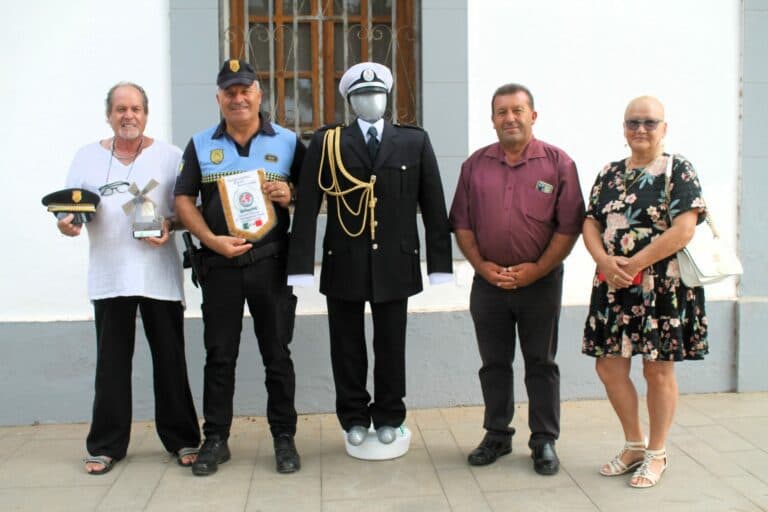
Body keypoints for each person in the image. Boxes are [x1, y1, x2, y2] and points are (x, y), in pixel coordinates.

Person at [287, 62, 453, 449]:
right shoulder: (328, 143)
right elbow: (308, 205)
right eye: (362, 95)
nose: (371, 101)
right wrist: (300, 268)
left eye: (377, 94)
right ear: (350, 101)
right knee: (346, 346)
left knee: (391, 344)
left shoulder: (414, 141)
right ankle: (354, 417)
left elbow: (433, 204)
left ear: (388, 97)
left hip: (396, 259)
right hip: (344, 257)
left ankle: (390, 415)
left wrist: (440, 266)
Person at [56, 82, 201, 475]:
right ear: (108, 114)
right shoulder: (86, 157)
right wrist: (66, 224)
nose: (128, 116)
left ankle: (184, 439)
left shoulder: (169, 156)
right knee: (112, 364)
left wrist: (169, 226)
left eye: (135, 108)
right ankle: (105, 445)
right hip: (110, 276)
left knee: (170, 362)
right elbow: (71, 208)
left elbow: (185, 210)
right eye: (120, 109)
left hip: (159, 276)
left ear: (146, 113)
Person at [174, 59, 305, 476]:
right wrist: (210, 241)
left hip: (271, 265)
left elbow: (312, 195)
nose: (238, 97)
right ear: (219, 98)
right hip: (219, 266)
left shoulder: (287, 141)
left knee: (277, 356)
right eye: (229, 91)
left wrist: (291, 192)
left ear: (259, 93)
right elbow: (182, 201)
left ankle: (284, 438)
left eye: (245, 89)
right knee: (219, 356)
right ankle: (216, 439)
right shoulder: (199, 145)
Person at [449, 83, 584, 475]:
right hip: (488, 283)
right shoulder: (474, 166)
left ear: (533, 116)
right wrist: (480, 266)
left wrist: (536, 270)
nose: (510, 118)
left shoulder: (558, 164)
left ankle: (543, 441)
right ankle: (496, 435)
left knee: (541, 363)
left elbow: (569, 226)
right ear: (492, 120)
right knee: (494, 363)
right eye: (501, 112)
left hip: (540, 283)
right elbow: (462, 223)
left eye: (517, 110)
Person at [581, 96, 708, 488]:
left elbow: (684, 229)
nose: (640, 129)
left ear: (664, 128)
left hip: (661, 288)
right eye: (633, 122)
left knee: (657, 369)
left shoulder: (678, 170)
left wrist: (633, 264)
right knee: (608, 366)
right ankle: (634, 443)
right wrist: (604, 261)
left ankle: (657, 452)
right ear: (623, 128)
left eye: (650, 122)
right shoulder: (608, 173)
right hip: (613, 285)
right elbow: (590, 222)